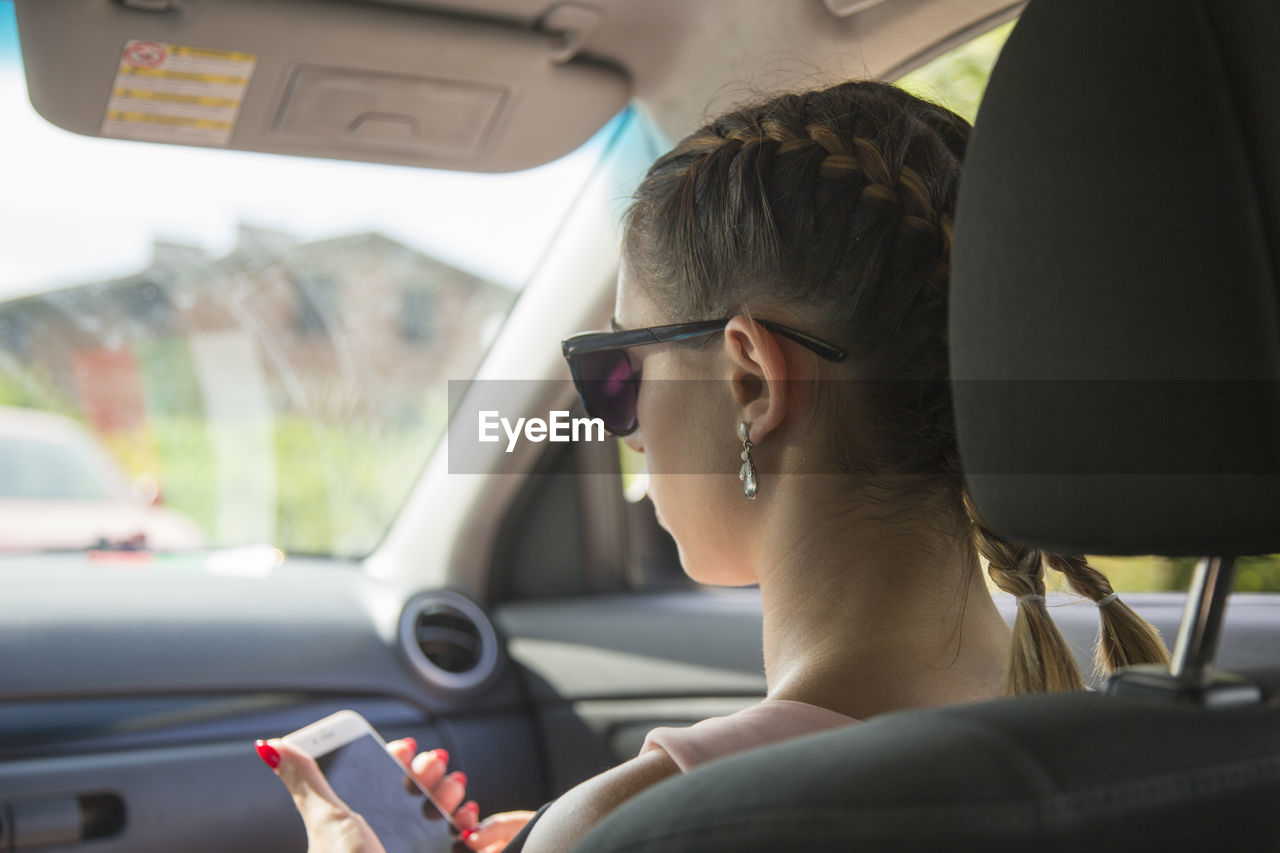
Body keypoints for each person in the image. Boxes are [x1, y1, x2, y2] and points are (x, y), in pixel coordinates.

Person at [255, 80, 1171, 852]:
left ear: (748, 380)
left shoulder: (655, 823)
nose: (619, 419)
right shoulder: (1149, 753)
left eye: (619, 369)